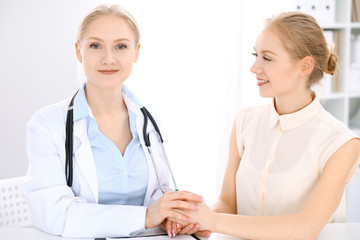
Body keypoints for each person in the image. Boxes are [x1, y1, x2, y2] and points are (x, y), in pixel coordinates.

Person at [22, 4, 202, 238]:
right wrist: (146, 217)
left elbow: (158, 192)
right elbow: (57, 215)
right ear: (79, 51)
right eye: (96, 45)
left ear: (136, 52)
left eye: (121, 46)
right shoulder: (46, 125)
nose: (109, 58)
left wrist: (175, 216)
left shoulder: (148, 120)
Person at [177, 12, 360, 239]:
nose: (254, 67)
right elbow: (227, 204)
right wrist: (194, 219)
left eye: (267, 58)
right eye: (256, 55)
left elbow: (307, 227)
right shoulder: (245, 121)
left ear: (305, 66)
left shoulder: (340, 142)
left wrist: (213, 221)